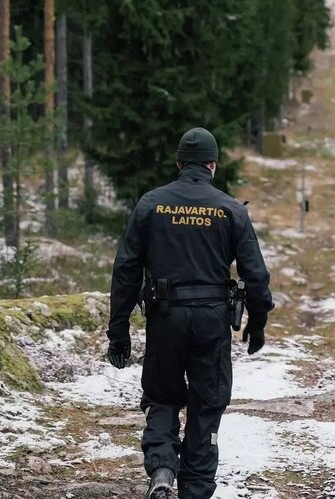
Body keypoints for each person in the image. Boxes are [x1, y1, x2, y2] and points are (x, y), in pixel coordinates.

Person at [105, 127, 274, 499]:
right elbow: (256, 276)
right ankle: (195, 491)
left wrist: (118, 331)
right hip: (213, 320)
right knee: (206, 403)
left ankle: (163, 467)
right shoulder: (231, 210)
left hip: (165, 317)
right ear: (213, 164)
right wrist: (257, 324)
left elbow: (126, 271)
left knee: (163, 396)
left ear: (180, 163)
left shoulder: (151, 204)